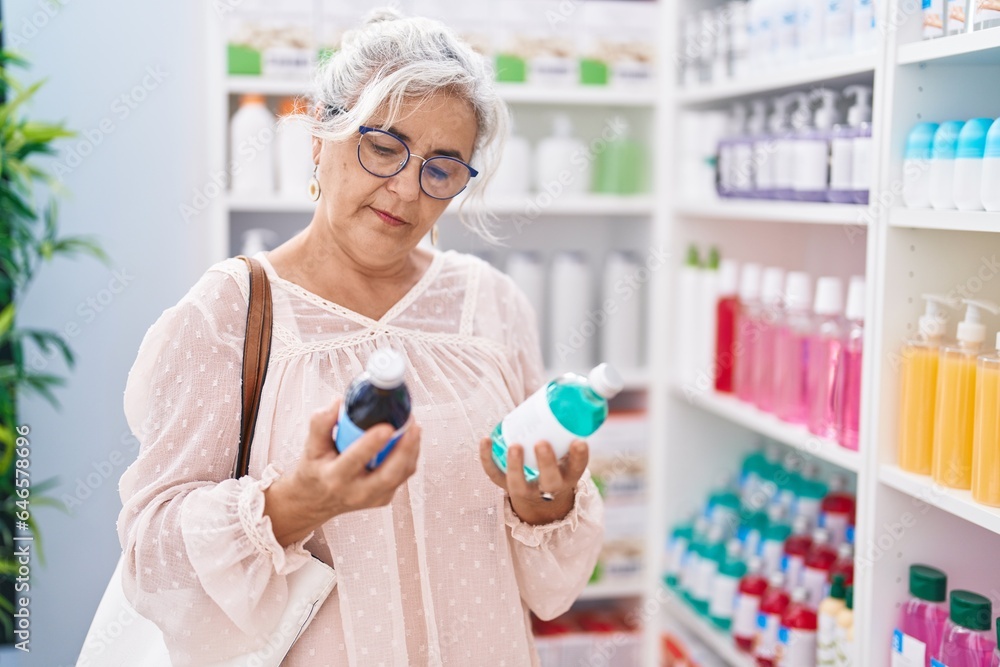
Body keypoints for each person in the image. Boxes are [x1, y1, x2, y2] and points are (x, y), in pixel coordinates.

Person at [118, 9, 604, 666]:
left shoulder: (490, 305)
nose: (406, 188)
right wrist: (292, 504)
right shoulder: (230, 312)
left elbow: (544, 582)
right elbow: (151, 555)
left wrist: (544, 501)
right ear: (322, 131)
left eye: (442, 167)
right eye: (384, 146)